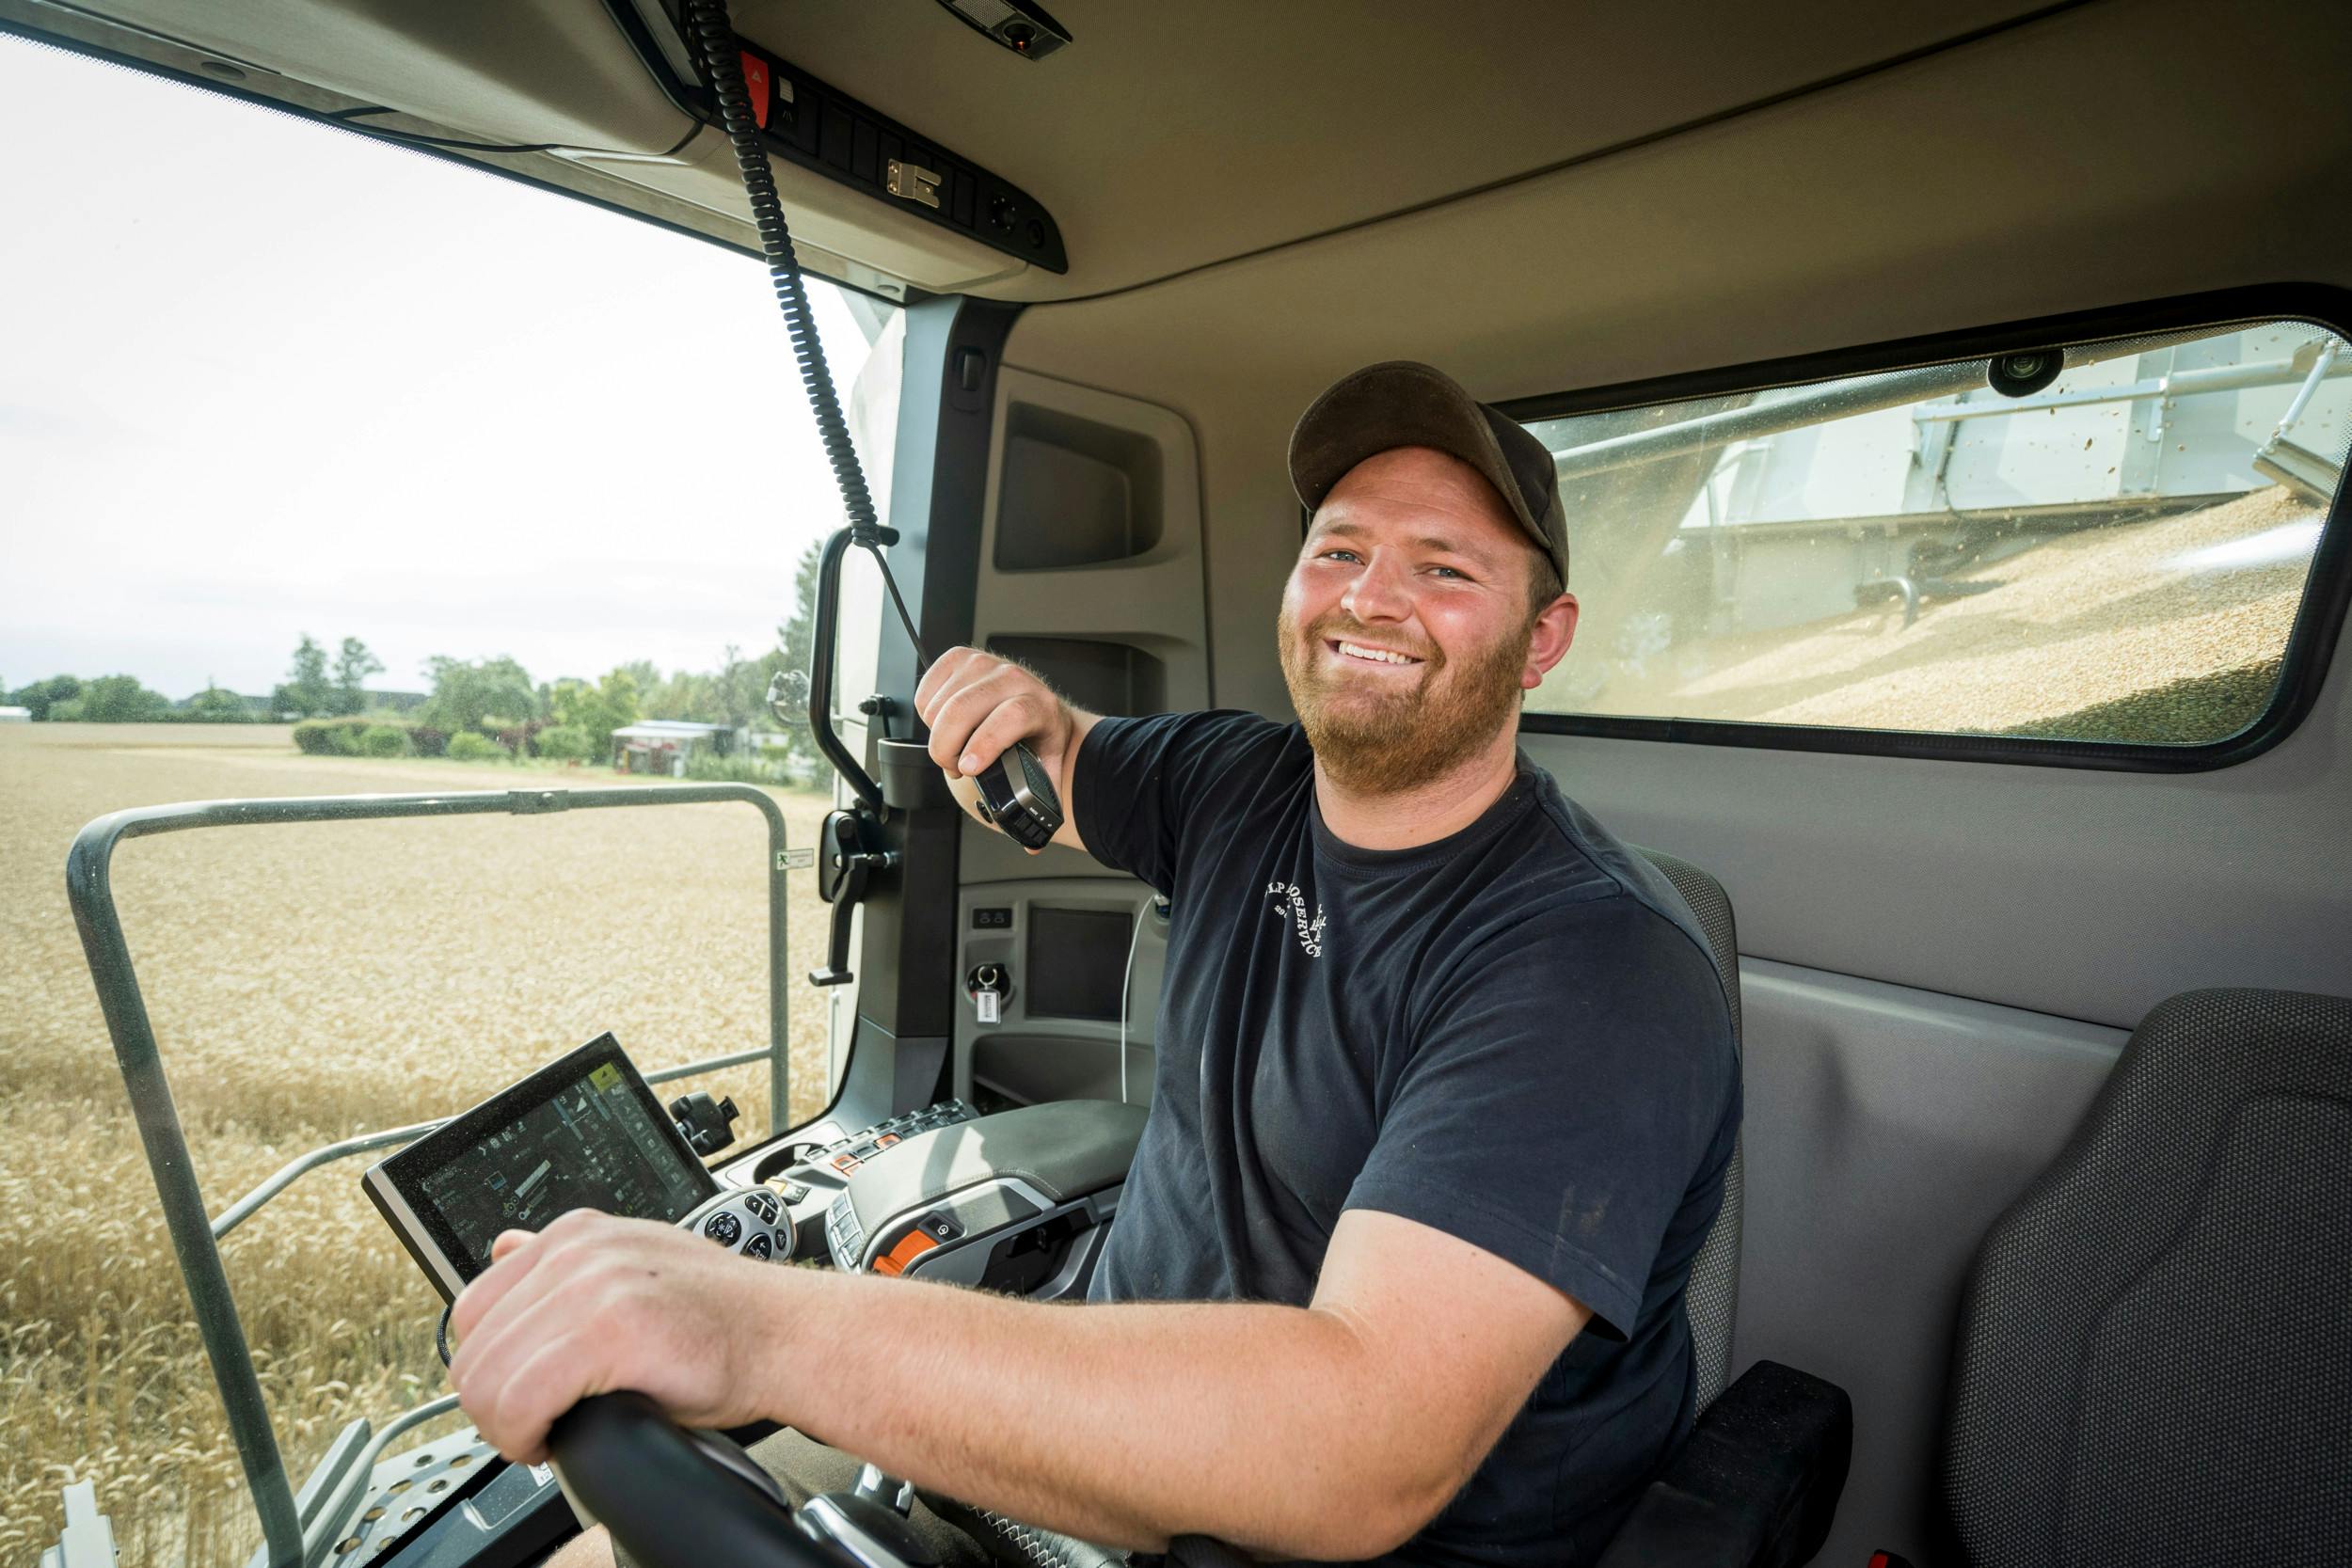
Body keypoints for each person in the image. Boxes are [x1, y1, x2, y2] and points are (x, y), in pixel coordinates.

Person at [449, 361, 1740, 1568]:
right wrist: (1009, 710)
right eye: (1339, 550)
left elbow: (1364, 1446)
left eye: (1443, 568)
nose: (1369, 598)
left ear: (1545, 636)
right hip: (1082, 1443)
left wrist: (748, 1325)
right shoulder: (1241, 782)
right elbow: (1061, 761)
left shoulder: (1596, 967)